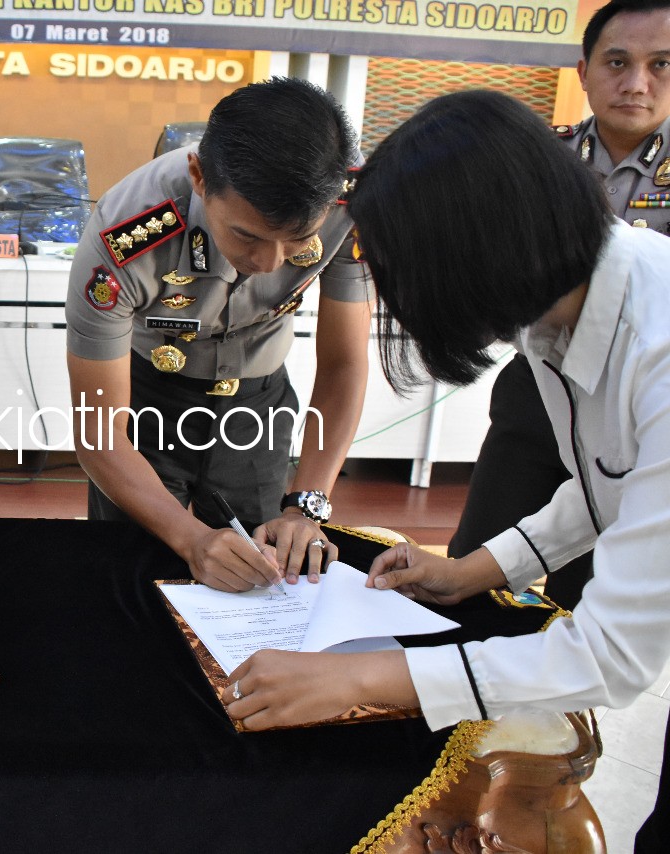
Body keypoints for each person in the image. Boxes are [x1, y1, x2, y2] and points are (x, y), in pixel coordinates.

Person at [221, 89, 670, 852]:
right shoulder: (564, 307)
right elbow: (610, 483)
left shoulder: (657, 349)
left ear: (475, 254)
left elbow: (613, 656)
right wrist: (475, 571)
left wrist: (364, 678)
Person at [65, 77, 372, 593]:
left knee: (267, 573)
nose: (268, 263)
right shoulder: (125, 233)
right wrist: (190, 540)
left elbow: (344, 363)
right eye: (246, 235)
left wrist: (305, 507)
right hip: (146, 404)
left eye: (297, 241)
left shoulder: (350, 204)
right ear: (199, 177)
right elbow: (99, 434)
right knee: (131, 572)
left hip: (258, 404)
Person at [448, 0, 670, 610]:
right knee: (475, 564)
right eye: (617, 62)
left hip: (643, 391)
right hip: (540, 381)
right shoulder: (531, 162)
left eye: (661, 64)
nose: (636, 83)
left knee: (595, 586)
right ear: (584, 71)